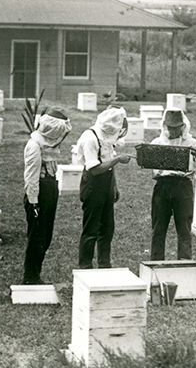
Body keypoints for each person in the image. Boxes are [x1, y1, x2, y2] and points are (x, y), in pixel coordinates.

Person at [74, 106, 131, 269]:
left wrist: (114, 187)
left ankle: (104, 264)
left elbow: (108, 166)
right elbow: (95, 169)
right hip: (92, 184)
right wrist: (118, 160)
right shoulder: (89, 138)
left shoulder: (106, 138)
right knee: (91, 228)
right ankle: (85, 266)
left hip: (106, 184)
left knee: (107, 228)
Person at [149, 108, 196, 261]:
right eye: (170, 127)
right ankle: (155, 263)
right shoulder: (157, 142)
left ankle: (185, 263)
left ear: (183, 126)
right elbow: (148, 164)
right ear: (164, 126)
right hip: (162, 186)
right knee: (158, 228)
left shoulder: (192, 142)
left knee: (184, 228)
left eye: (176, 127)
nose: (173, 131)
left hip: (183, 186)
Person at [21, 109, 72, 284]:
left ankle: (35, 273)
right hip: (39, 193)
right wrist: (34, 203)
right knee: (37, 236)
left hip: (50, 188)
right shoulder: (34, 146)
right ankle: (30, 276)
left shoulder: (46, 146)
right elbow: (31, 177)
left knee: (46, 236)